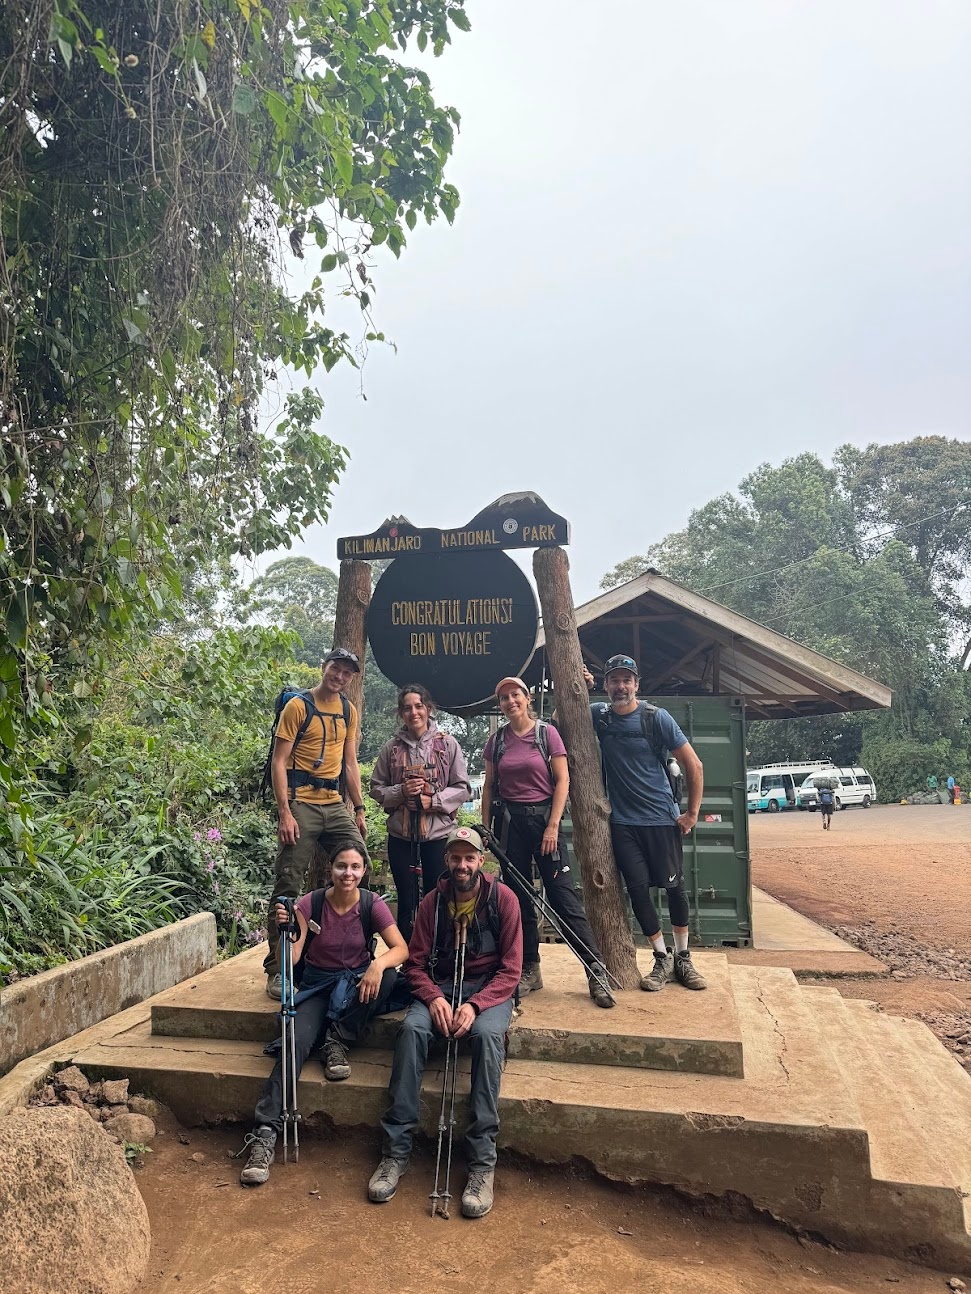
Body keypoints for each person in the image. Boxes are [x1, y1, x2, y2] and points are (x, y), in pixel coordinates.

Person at [368, 826, 522, 1219]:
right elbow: (415, 964)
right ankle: (395, 1153)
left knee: (489, 1037)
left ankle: (481, 1163)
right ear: (447, 860)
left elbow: (511, 970)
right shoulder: (430, 905)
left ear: (481, 860)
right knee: (412, 1029)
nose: (462, 865)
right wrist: (434, 997)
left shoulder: (504, 899)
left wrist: (474, 1005)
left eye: (469, 857)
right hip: (440, 986)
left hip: (488, 992)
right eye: (455, 857)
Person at [238, 843, 408, 1186]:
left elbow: (401, 948)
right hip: (317, 986)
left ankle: (337, 1038)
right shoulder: (309, 904)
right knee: (295, 1040)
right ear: (330, 869)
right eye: (342, 866)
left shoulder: (371, 904)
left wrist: (376, 965)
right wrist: (287, 932)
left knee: (389, 976)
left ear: (364, 872)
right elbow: (294, 959)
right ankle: (266, 1131)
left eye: (356, 867)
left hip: (357, 984)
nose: (348, 873)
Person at [481, 676, 613, 1009]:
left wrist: (554, 825)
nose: (510, 701)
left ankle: (595, 971)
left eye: (516, 695)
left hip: (544, 823)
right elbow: (488, 786)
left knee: (562, 896)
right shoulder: (496, 741)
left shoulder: (546, 734)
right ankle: (530, 969)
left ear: (527, 699)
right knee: (519, 899)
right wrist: (486, 830)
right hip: (509, 826)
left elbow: (563, 780)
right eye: (504, 698)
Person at [587, 654, 707, 993]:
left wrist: (692, 814)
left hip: (660, 820)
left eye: (627, 680)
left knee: (674, 889)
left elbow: (693, 765)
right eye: (614, 680)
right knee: (638, 890)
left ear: (637, 684)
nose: (620, 686)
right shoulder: (601, 715)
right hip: (624, 824)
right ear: (607, 685)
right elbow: (559, 718)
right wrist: (584, 689)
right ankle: (661, 958)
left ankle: (684, 958)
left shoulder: (657, 718)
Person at [262, 647, 369, 998]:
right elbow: (279, 761)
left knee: (359, 863)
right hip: (301, 802)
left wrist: (359, 807)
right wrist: (285, 811)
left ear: (351, 678)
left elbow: (350, 763)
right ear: (324, 668)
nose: (339, 676)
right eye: (335, 669)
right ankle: (279, 968)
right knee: (288, 882)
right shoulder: (298, 707)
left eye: (346, 673)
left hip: (334, 802)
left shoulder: (347, 711)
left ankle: (358, 954)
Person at [369, 684, 471, 942]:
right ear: (401, 713)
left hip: (438, 837)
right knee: (405, 897)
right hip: (401, 837)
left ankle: (439, 954)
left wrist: (432, 800)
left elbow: (462, 787)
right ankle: (408, 961)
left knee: (438, 896)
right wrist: (401, 792)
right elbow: (376, 788)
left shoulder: (448, 745)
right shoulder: (391, 749)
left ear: (428, 708)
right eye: (407, 708)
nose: (414, 712)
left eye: (418, 706)